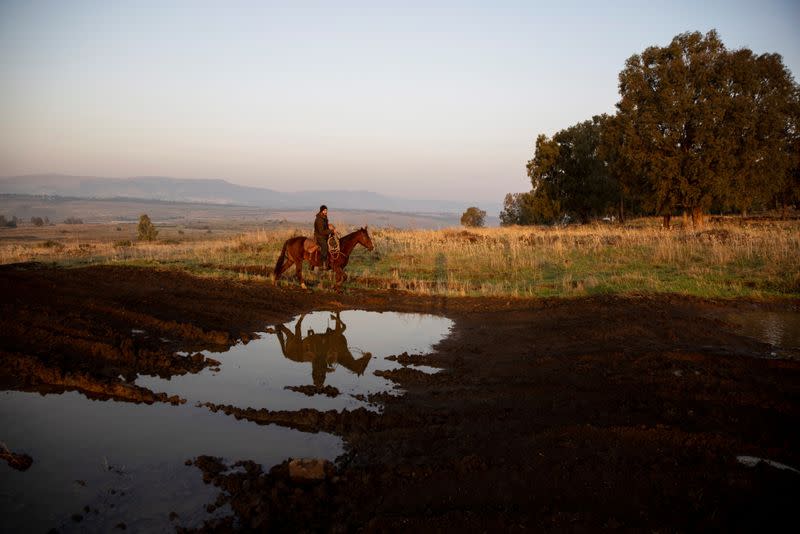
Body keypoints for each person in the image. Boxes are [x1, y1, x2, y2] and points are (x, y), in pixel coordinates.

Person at [314, 205, 336, 270]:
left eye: (326, 210)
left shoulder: (324, 217)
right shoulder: (319, 219)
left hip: (324, 236)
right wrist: (331, 231)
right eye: (325, 210)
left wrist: (331, 228)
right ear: (322, 211)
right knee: (325, 246)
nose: (326, 211)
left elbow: (325, 227)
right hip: (319, 236)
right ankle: (322, 263)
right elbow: (321, 231)